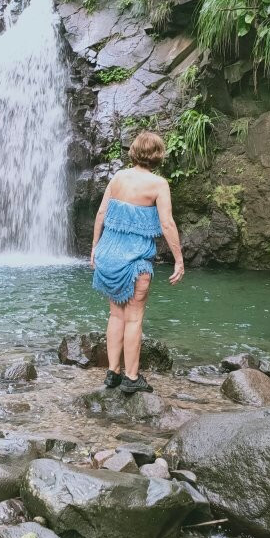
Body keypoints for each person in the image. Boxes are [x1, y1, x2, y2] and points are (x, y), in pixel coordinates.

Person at [90, 131, 184, 393]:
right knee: (133, 319)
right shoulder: (158, 184)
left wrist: (94, 247)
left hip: (108, 256)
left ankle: (112, 373)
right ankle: (131, 378)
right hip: (134, 262)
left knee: (115, 315)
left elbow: (101, 212)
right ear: (158, 155)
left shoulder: (118, 177)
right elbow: (167, 223)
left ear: (133, 152)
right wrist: (179, 260)